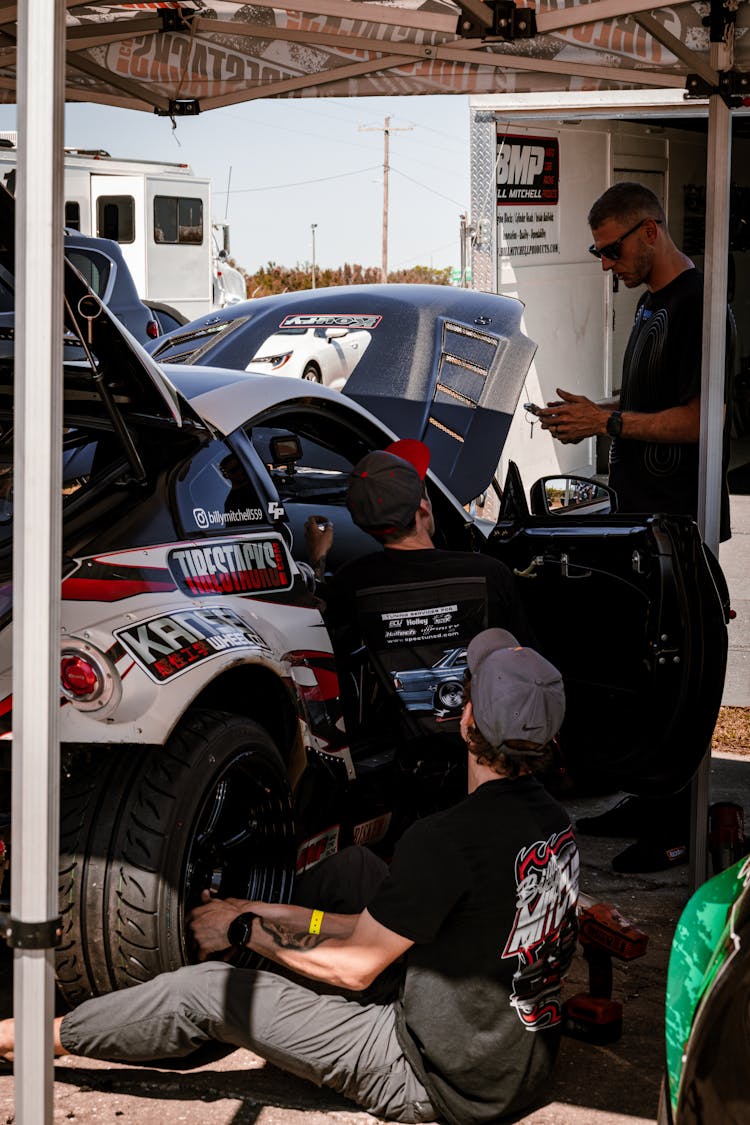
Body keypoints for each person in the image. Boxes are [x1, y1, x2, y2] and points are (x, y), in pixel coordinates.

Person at [0, 629, 579, 1125]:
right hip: (518, 1059)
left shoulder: (447, 838)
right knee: (351, 872)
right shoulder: (555, 821)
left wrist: (243, 932)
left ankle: (22, 1036)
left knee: (205, 994)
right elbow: (378, 929)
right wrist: (252, 912)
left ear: (468, 719)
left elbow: (355, 968)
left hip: (433, 1077)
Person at [538, 180, 732, 872]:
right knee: (644, 672)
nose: (604, 263)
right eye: (598, 251)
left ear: (649, 232)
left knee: (679, 673)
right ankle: (651, 798)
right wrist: (600, 409)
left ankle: (681, 820)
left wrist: (609, 421)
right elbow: (653, 402)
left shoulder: (700, 306)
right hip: (642, 523)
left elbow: (702, 418)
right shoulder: (652, 303)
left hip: (681, 523)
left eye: (610, 249)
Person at [305, 439, 535, 741]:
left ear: (364, 525)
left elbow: (318, 632)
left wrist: (317, 560)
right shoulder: (489, 573)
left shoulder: (353, 583)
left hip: (412, 758)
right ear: (423, 507)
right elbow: (527, 662)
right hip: (493, 745)